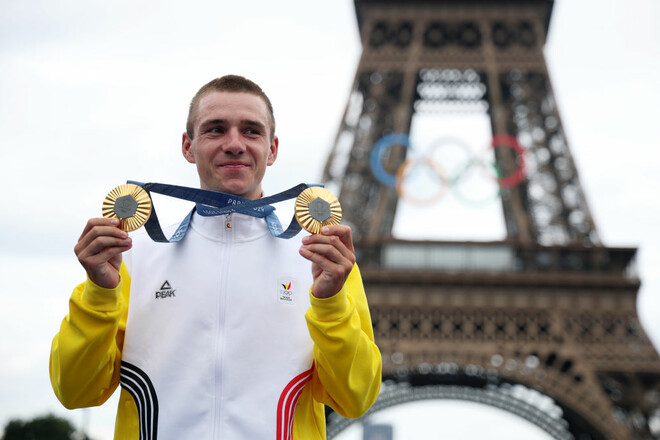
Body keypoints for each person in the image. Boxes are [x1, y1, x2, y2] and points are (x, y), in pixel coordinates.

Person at [49, 75, 382, 439]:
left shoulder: (322, 261)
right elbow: (74, 391)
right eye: (216, 130)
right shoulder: (131, 256)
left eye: (251, 131)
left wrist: (331, 304)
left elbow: (357, 398)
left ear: (272, 149)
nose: (234, 144)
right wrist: (98, 294)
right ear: (188, 146)